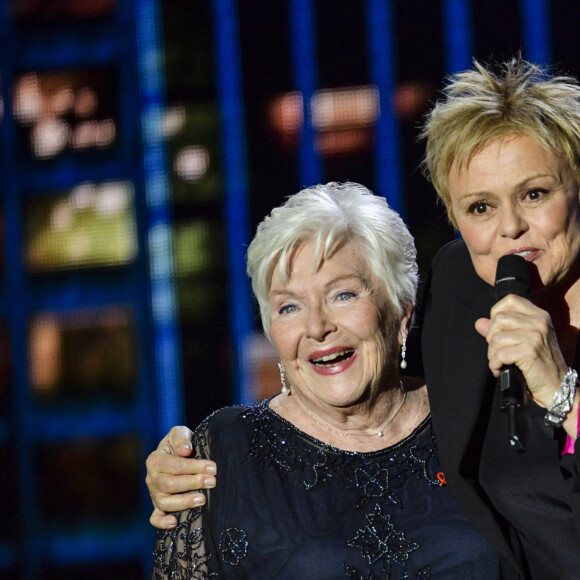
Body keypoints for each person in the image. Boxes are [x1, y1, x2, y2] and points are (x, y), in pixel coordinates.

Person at [147, 58, 580, 578]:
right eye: (480, 207)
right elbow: (383, 387)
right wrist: (174, 471)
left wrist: (562, 395)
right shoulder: (462, 289)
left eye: (535, 194)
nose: (509, 227)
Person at [149, 182, 500, 578]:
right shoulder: (224, 452)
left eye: (343, 295)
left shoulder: (475, 417)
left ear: (401, 311)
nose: (316, 327)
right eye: (289, 306)